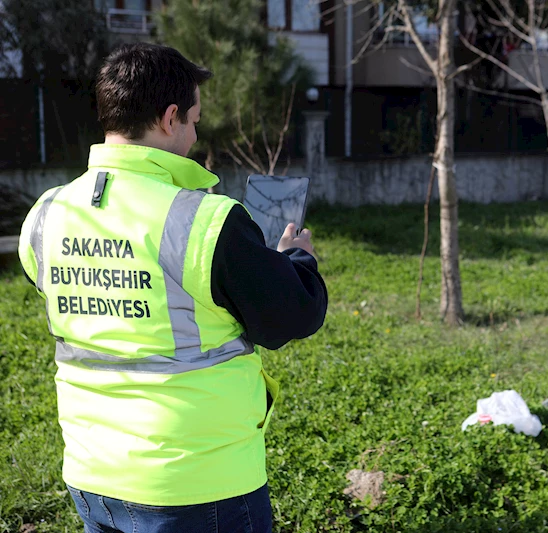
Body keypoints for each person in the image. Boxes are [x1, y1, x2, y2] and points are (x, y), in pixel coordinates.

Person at [17, 43, 327, 533]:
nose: (195, 134)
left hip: (91, 473)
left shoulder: (47, 212)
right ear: (169, 118)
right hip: (197, 485)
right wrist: (298, 260)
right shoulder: (205, 220)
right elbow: (291, 316)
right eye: (194, 121)